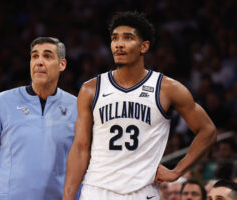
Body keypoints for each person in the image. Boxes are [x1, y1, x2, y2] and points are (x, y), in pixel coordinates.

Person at [63, 11, 217, 200]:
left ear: (144, 46)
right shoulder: (90, 89)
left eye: (128, 38)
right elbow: (80, 147)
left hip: (143, 191)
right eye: (114, 38)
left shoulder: (167, 88)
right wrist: (68, 197)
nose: (119, 44)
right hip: (97, 189)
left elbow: (208, 130)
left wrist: (177, 171)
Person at [0, 37, 78, 200]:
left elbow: (81, 163)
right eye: (34, 56)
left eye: (47, 56)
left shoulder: (75, 106)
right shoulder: (3, 101)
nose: (39, 62)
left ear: (62, 64)